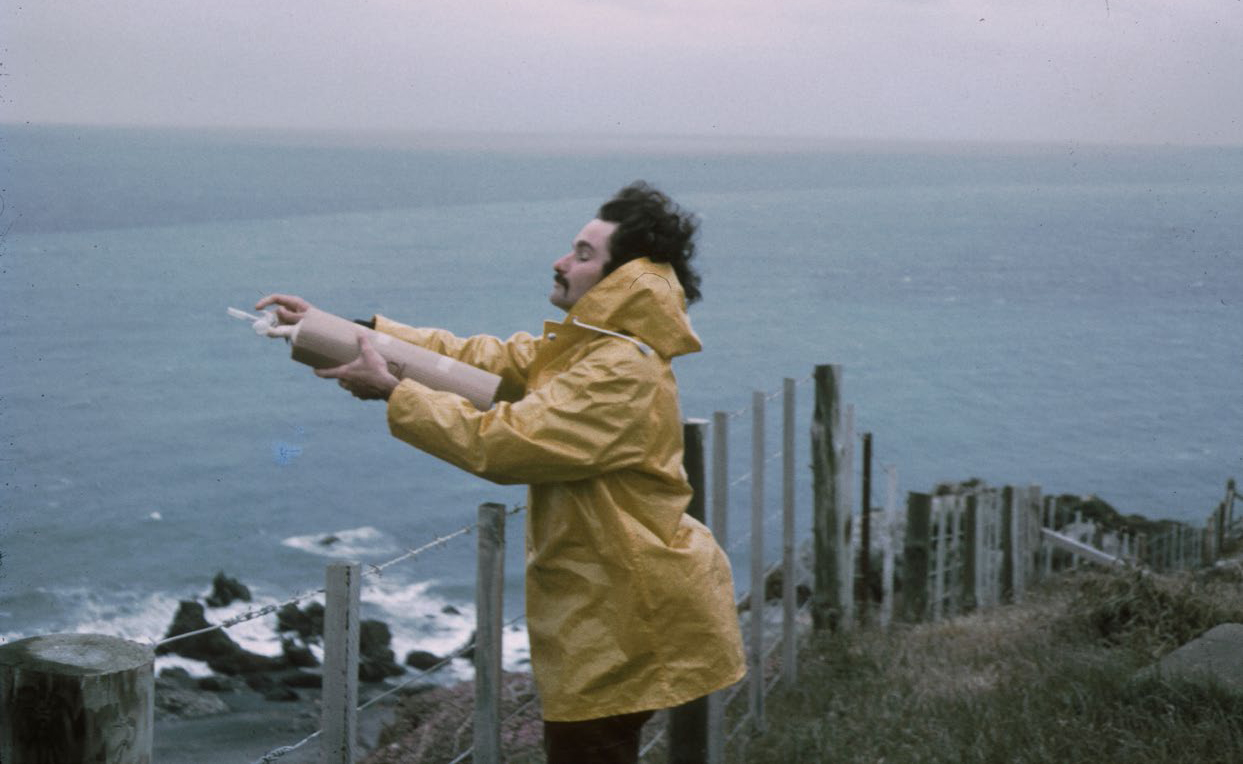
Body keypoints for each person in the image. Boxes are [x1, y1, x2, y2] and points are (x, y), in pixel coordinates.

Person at [257, 181, 745, 763]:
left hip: (623, 613)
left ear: (621, 279)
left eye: (584, 255)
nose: (561, 263)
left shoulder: (618, 371)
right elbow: (480, 360)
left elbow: (507, 444)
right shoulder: (596, 349)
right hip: (614, 605)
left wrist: (394, 394)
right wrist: (343, 329)